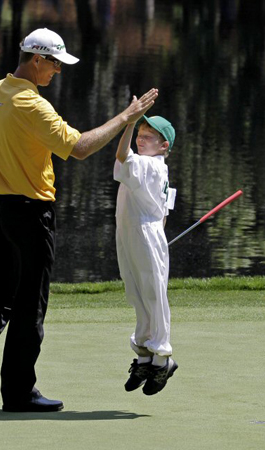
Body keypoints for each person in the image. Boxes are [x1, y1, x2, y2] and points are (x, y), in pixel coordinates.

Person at [0, 27, 159, 413]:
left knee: (1, 296)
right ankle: (17, 394)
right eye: (54, 64)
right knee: (30, 305)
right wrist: (126, 117)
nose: (58, 72)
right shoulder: (33, 104)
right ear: (36, 59)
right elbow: (78, 148)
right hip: (29, 213)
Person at [113, 113, 178, 396]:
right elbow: (165, 211)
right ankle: (143, 355)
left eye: (148, 136)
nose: (141, 138)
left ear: (164, 146)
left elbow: (121, 154)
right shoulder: (150, 166)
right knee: (136, 293)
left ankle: (162, 359)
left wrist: (127, 122)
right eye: (139, 132)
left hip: (143, 233)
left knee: (153, 296)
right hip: (132, 233)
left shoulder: (149, 165)